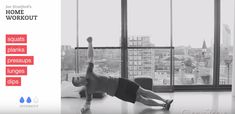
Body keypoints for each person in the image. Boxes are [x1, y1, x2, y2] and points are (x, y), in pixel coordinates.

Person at [72, 37, 173, 113]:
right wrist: (84, 108)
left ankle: (166, 100)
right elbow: (88, 103)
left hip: (120, 81)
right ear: (79, 84)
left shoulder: (88, 73)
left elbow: (90, 57)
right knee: (141, 99)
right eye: (78, 79)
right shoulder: (88, 90)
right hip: (118, 92)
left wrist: (90, 43)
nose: (79, 77)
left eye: (78, 76)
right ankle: (163, 105)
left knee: (142, 91)